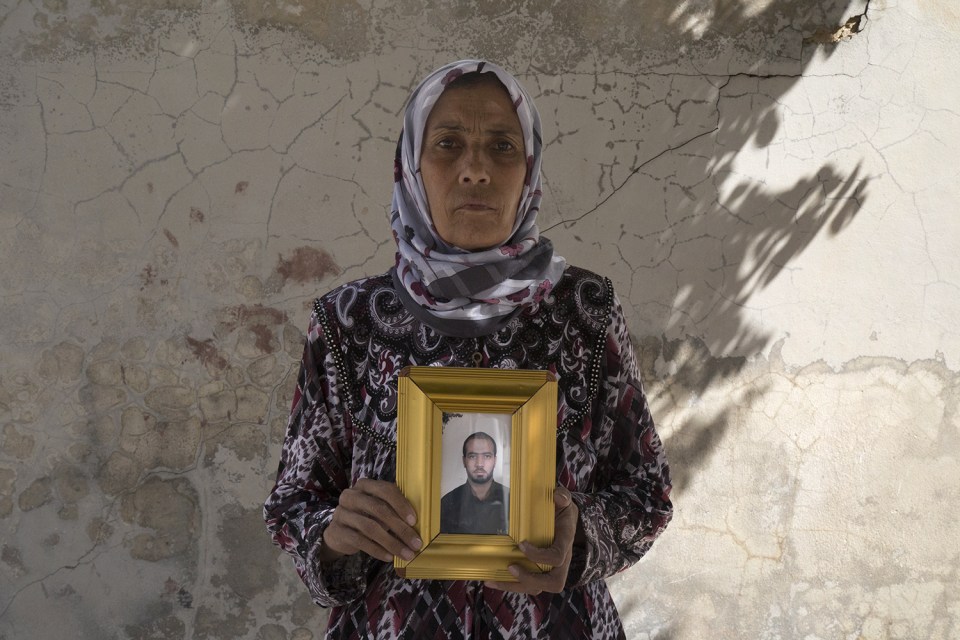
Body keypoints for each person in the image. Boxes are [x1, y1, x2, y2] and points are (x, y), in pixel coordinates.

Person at [264, 59, 673, 639]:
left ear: (528, 169)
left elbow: (646, 491)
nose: (476, 170)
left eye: (502, 147)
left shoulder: (585, 309)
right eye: (448, 144)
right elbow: (292, 501)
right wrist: (333, 533)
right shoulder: (349, 320)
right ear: (412, 164)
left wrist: (581, 538)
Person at [440, 432, 509, 535]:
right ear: (464, 461)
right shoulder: (447, 503)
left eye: (487, 456)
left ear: (495, 461)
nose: (479, 464)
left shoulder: (512, 500)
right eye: (472, 456)